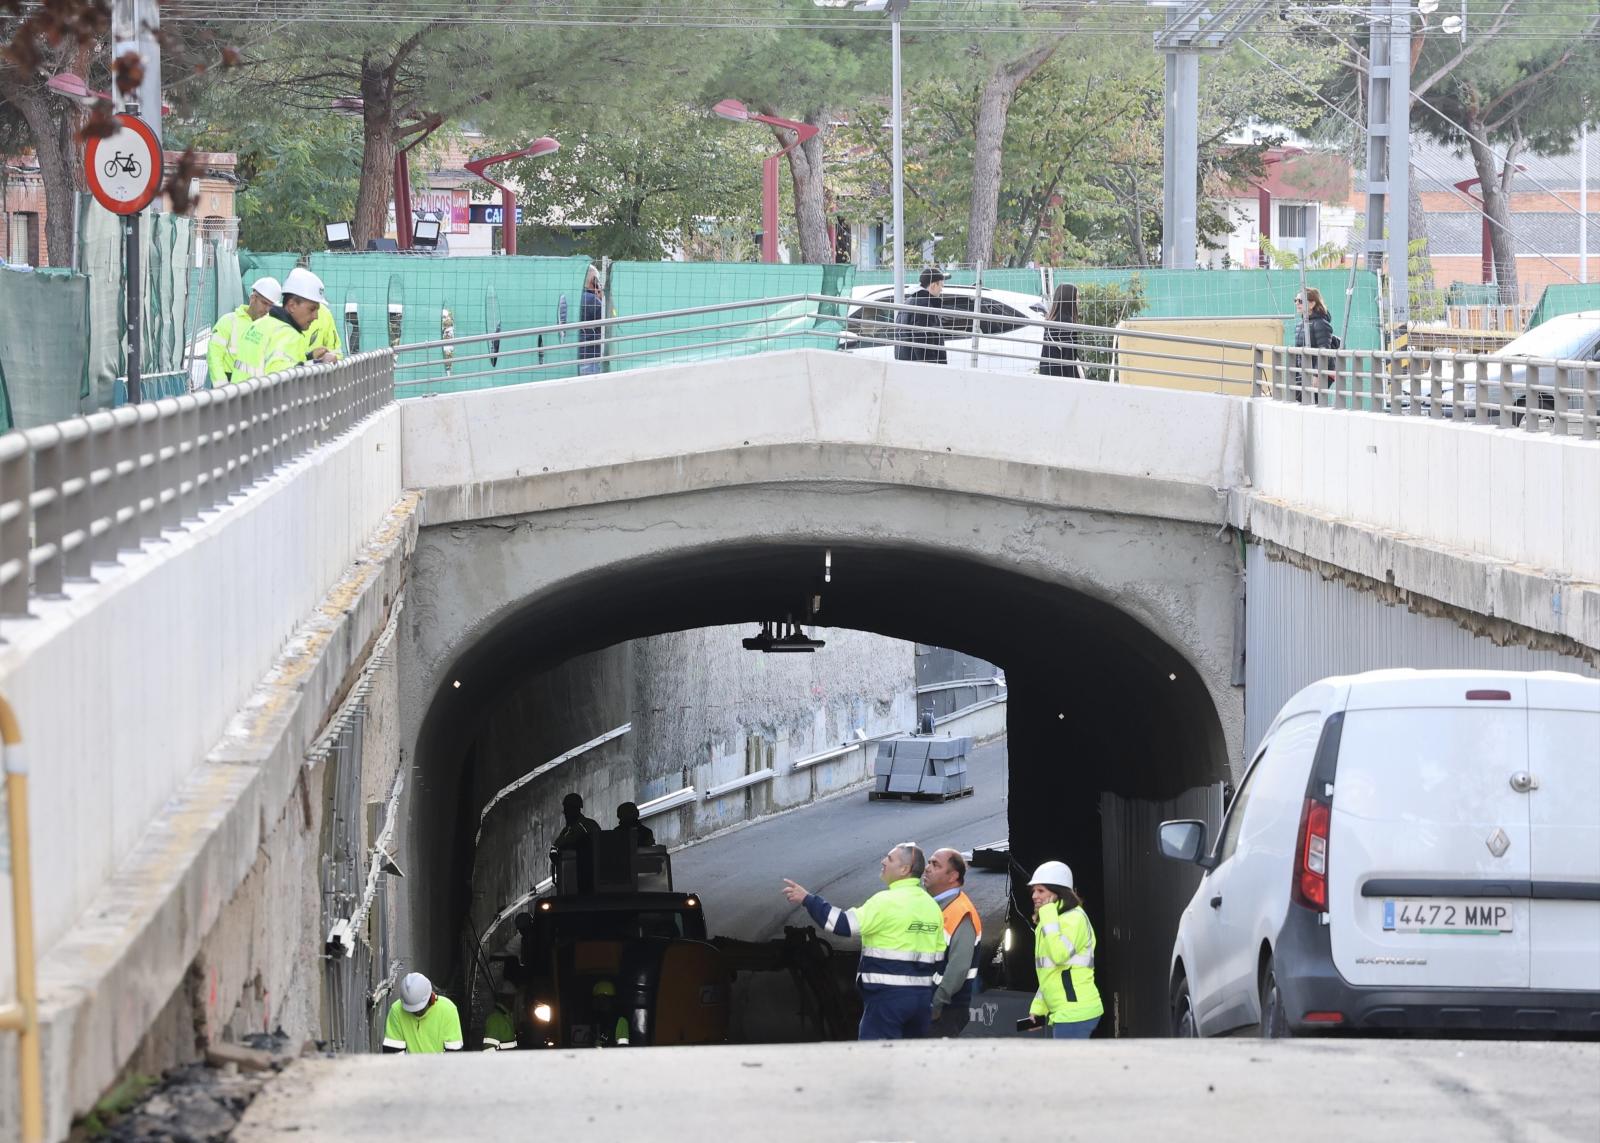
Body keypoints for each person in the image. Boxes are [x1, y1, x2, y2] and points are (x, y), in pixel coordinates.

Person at [782, 841, 946, 1040]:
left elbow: (842, 924)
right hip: (920, 1003)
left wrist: (808, 899)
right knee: (909, 1064)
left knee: (875, 1063)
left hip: (887, 1002)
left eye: (890, 858)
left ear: (904, 869)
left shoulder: (886, 901)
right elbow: (940, 958)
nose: (883, 861)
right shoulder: (932, 907)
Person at [1022, 860, 1102, 1039]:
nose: (1034, 895)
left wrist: (1048, 914)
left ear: (1058, 893)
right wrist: (1039, 1008)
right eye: (1033, 890)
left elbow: (1059, 956)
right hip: (1067, 1012)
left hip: (1076, 1012)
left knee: (1067, 1066)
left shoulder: (1074, 918)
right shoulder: (1050, 922)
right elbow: (1050, 974)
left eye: (1041, 890)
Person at [234, 267, 336, 378]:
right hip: (261, 395)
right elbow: (279, 374)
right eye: (312, 309)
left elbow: (268, 361)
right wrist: (319, 363)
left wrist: (309, 357)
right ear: (292, 306)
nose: (315, 316)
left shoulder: (260, 324)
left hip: (240, 393)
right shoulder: (287, 334)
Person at [923, 847, 982, 1037]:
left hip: (943, 1011)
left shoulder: (961, 912)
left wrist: (936, 1003)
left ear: (953, 876)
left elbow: (958, 969)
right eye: (929, 862)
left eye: (935, 864)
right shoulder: (935, 906)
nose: (927, 868)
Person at [207, 276, 280, 385]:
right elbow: (214, 356)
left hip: (259, 388)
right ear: (253, 298)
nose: (267, 309)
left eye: (271, 306)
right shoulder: (228, 321)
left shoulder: (271, 327)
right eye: (264, 303)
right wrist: (222, 388)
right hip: (229, 384)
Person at [382, 971, 464, 1053]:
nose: (416, 1013)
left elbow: (454, 1054)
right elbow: (393, 1052)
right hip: (408, 1065)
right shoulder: (396, 1010)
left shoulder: (448, 1009)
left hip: (439, 1065)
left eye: (420, 1008)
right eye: (411, 1010)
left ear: (430, 998)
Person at [895, 268, 950, 364]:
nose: (942, 289)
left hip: (907, 364)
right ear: (933, 285)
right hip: (921, 368)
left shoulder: (909, 302)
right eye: (941, 285)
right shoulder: (924, 305)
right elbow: (922, 342)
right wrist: (932, 366)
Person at [551, 792, 602, 893]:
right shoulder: (567, 830)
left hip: (585, 875)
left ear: (575, 809)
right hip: (573, 877)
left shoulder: (586, 826)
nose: (565, 813)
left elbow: (595, 847)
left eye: (567, 809)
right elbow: (556, 846)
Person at [1292, 286, 1336, 404]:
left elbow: (1324, 351)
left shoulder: (1321, 324)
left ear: (1312, 304)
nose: (1297, 303)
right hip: (1303, 372)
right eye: (1295, 300)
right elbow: (1298, 353)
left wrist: (1317, 375)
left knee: (1314, 403)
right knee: (1300, 401)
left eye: (1300, 301)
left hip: (1319, 373)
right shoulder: (1299, 325)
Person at [1039, 282, 1084, 379]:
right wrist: (1076, 380)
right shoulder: (1067, 322)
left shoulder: (1051, 319)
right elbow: (1069, 357)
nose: (1078, 301)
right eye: (1076, 298)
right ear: (1069, 300)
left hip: (1047, 372)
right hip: (1061, 375)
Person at [578, 265, 604, 375]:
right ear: (594, 281)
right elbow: (609, 319)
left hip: (578, 354)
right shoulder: (592, 300)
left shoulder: (578, 297)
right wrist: (603, 300)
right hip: (591, 356)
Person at [590, 979, 631, 1046]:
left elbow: (623, 1046)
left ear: (611, 1000)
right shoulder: (597, 1019)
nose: (601, 1003)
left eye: (604, 999)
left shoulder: (620, 1020)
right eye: (598, 999)